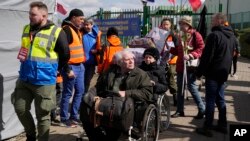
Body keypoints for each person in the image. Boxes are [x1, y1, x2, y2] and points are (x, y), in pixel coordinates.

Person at [11, 1, 70, 141]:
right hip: (25, 78)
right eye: (29, 14)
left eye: (33, 14)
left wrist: (56, 69)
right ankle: (31, 135)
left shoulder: (57, 31)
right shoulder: (26, 29)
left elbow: (65, 54)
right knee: (20, 108)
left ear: (44, 15)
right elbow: (26, 50)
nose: (30, 17)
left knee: (42, 115)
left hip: (44, 81)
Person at [81, 50, 153, 141]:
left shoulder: (141, 75)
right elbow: (98, 87)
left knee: (113, 128)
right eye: (127, 60)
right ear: (120, 62)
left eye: (132, 59)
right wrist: (90, 95)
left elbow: (147, 93)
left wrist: (127, 93)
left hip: (126, 107)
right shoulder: (110, 72)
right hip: (106, 103)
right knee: (86, 115)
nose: (131, 61)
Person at [196, 13, 237, 137]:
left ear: (219, 21)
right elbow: (232, 55)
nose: (211, 22)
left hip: (213, 73)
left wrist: (199, 72)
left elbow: (207, 57)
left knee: (210, 100)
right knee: (220, 99)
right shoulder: (232, 36)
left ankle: (207, 126)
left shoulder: (214, 35)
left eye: (213, 20)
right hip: (223, 73)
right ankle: (222, 125)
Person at [170, 16, 206, 119]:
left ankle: (202, 108)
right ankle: (180, 110)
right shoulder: (180, 35)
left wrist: (191, 55)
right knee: (180, 88)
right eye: (180, 23)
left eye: (182, 24)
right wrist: (170, 49)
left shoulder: (195, 34)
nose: (180, 25)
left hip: (191, 66)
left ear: (188, 24)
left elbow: (201, 48)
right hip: (181, 66)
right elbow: (178, 51)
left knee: (192, 87)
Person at [60, 9, 85, 127]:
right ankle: (64, 118)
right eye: (81, 19)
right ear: (73, 17)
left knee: (80, 91)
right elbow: (63, 52)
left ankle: (74, 116)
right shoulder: (66, 30)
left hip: (80, 66)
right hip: (70, 67)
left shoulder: (76, 30)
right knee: (67, 93)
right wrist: (67, 69)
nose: (82, 21)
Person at [159, 18, 178, 106]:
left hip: (171, 60)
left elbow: (177, 47)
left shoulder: (173, 34)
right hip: (161, 60)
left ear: (170, 25)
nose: (165, 26)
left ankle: (175, 97)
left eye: (167, 24)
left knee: (171, 76)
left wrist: (171, 57)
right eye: (164, 24)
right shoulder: (158, 34)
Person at [82, 18, 102, 93]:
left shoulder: (97, 35)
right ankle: (81, 97)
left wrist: (97, 51)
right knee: (81, 82)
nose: (86, 26)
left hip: (91, 62)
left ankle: (84, 97)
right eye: (85, 25)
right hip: (82, 62)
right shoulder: (81, 34)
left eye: (88, 25)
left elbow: (101, 48)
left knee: (87, 81)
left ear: (92, 25)